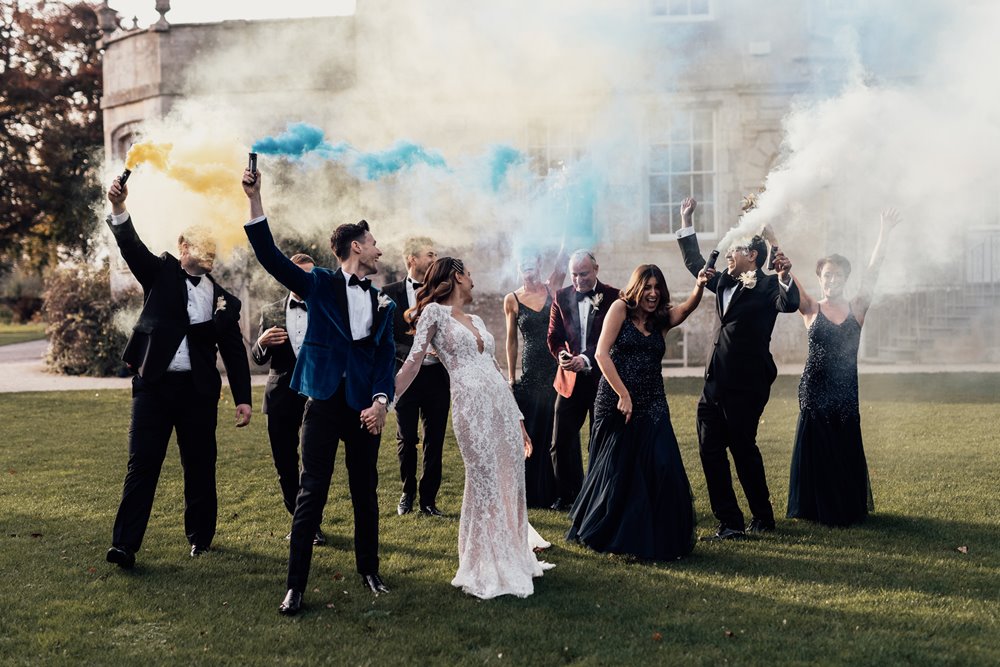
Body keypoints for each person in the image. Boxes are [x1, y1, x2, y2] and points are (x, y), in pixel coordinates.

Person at [242, 169, 395, 616]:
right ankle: (295, 587)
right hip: (324, 404)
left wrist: (382, 402)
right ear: (356, 247)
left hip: (365, 409)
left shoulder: (383, 300)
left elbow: (384, 359)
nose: (379, 248)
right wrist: (255, 200)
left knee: (366, 491)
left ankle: (370, 570)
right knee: (312, 492)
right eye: (373, 242)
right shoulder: (321, 284)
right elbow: (269, 255)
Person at [104, 175, 252, 570]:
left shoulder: (224, 299)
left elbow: (234, 352)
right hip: (153, 387)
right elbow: (131, 247)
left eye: (215, 249)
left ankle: (201, 539)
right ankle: (124, 546)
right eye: (204, 247)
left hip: (199, 392)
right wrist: (119, 208)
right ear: (183, 247)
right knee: (142, 464)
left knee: (201, 465)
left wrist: (243, 399)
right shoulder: (161, 273)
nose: (211, 254)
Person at [395, 257, 554, 599]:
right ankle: (484, 562)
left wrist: (519, 421)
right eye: (469, 274)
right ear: (456, 277)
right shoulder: (434, 314)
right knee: (484, 480)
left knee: (510, 480)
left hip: (501, 408)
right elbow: (413, 361)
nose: (473, 280)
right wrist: (386, 399)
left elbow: (496, 370)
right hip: (471, 409)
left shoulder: (479, 320)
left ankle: (513, 554)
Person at [676, 197, 799, 540]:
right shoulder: (724, 282)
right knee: (709, 450)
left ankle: (762, 516)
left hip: (747, 387)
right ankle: (729, 521)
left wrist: (783, 265)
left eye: (735, 250)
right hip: (713, 386)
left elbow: (788, 303)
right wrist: (687, 219)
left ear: (753, 257)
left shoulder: (768, 285)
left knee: (743, 450)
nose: (729, 254)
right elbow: (695, 262)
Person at [567, 264, 707, 560]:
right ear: (636, 288)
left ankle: (660, 534)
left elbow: (685, 309)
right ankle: (614, 533)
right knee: (619, 472)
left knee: (663, 464)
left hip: (653, 401)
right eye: (648, 287)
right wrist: (623, 394)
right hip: (616, 401)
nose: (653, 293)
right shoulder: (619, 308)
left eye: (658, 288)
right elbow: (601, 354)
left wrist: (700, 285)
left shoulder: (660, 320)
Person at [783, 209, 901, 526]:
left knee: (843, 444)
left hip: (846, 388)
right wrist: (771, 239)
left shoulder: (857, 308)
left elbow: (874, 270)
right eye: (827, 275)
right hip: (815, 387)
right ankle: (814, 507)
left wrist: (884, 232)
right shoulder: (810, 308)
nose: (832, 280)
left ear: (845, 279)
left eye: (838, 275)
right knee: (818, 446)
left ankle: (846, 505)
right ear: (820, 279)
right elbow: (788, 277)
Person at [251, 253, 328, 546]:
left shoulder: (325, 307)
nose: (304, 280)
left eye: (310, 275)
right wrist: (261, 342)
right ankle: (300, 521)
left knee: (314, 464)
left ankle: (312, 523)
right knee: (285, 463)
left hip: (319, 395)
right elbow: (259, 359)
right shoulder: (270, 311)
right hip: (281, 396)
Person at [382, 237, 451, 517]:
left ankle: (428, 500)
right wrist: (416, 352)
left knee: (435, 439)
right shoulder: (388, 293)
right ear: (412, 259)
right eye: (429, 254)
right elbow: (386, 338)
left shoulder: (444, 293)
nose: (434, 259)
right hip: (404, 378)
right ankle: (407, 492)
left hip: (437, 379)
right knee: (406, 438)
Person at [546, 250, 619, 511]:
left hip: (603, 380)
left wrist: (586, 360)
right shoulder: (561, 296)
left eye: (584, 274)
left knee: (599, 441)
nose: (578, 280)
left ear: (596, 269)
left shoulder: (614, 297)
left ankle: (600, 495)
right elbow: (553, 337)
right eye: (575, 274)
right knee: (559, 442)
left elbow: (612, 340)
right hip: (569, 382)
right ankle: (566, 496)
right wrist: (563, 356)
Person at [503, 251, 566, 508]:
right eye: (523, 262)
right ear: (518, 267)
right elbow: (511, 339)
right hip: (531, 370)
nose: (528, 266)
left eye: (532, 261)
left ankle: (560, 491)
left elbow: (564, 257)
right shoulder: (512, 298)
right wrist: (511, 376)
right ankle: (534, 495)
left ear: (540, 264)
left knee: (558, 430)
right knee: (534, 430)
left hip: (556, 368)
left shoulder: (553, 289)